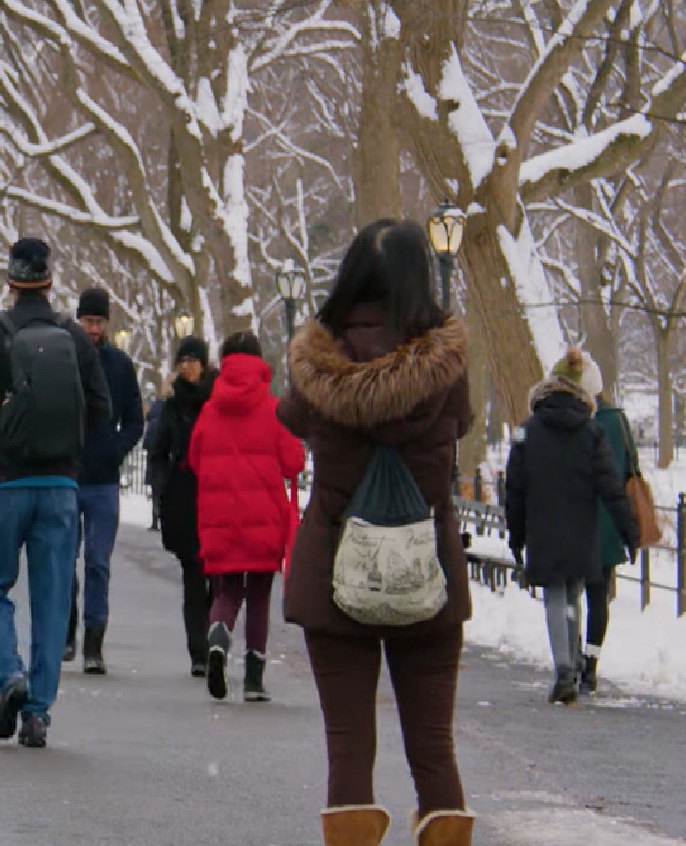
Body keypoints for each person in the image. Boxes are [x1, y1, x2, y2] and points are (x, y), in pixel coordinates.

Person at [278, 220, 474, 846]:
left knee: (348, 745)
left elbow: (290, 417)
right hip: (425, 567)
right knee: (434, 747)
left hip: (336, 568)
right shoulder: (445, 367)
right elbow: (464, 422)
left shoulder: (318, 365)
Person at [0, 237, 110, 749]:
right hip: (61, 485)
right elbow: (101, 408)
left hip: (5, 482)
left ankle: (9, 674)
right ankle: (38, 713)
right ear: (50, 281)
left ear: (11, 282)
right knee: (52, 598)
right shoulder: (74, 337)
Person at [505, 348, 639, 706]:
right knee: (573, 594)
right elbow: (611, 487)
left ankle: (563, 668)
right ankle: (575, 662)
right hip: (582, 527)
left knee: (554, 595)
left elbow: (514, 489)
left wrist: (515, 535)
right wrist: (628, 531)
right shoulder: (591, 433)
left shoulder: (528, 431)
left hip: (543, 527)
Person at [189, 331, 304, 703]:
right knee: (258, 595)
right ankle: (254, 678)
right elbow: (294, 461)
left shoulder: (210, 410)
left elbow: (195, 458)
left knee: (227, 590)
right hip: (264, 516)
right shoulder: (272, 409)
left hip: (220, 515)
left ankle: (218, 633)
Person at [63, 287, 145, 674]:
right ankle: (66, 630)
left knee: (98, 562)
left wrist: (116, 448)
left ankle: (94, 642)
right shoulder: (64, 359)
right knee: (63, 559)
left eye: (99, 322)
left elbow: (135, 420)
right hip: (66, 474)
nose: (93, 329)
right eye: (88, 321)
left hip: (103, 480)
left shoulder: (120, 365)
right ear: (78, 321)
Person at [151, 335, 217, 677]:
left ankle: (213, 636)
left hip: (215, 492)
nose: (187, 366)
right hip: (183, 493)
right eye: (183, 360)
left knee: (216, 576)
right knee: (193, 572)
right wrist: (161, 487)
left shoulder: (217, 398)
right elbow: (157, 449)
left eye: (192, 360)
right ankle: (198, 650)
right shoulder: (172, 403)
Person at [580, 360, 637, 696]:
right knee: (598, 597)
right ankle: (591, 663)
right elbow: (630, 467)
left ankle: (572, 658)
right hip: (610, 519)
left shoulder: (577, 421)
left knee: (571, 593)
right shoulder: (616, 420)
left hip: (577, 519)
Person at [142, 395, 165, 532]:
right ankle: (163, 519)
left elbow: (145, 444)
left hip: (153, 463)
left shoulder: (152, 424)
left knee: (155, 494)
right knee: (164, 494)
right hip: (165, 464)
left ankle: (155, 520)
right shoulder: (166, 422)